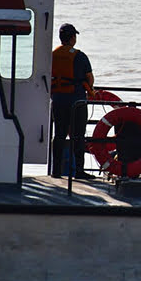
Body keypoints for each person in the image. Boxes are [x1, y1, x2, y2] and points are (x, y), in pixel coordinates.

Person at [51, 23, 95, 179]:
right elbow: (90, 78)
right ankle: (79, 171)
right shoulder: (80, 56)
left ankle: (56, 171)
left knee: (59, 135)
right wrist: (90, 90)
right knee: (78, 136)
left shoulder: (52, 55)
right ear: (72, 38)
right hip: (76, 101)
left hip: (57, 99)